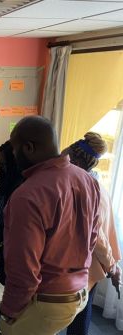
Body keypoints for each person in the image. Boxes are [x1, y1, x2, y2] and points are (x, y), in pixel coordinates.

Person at [0, 116, 101, 335]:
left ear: (29, 148)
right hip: (78, 292)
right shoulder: (87, 179)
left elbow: (23, 267)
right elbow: (92, 238)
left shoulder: (27, 195)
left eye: (15, 150)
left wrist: (8, 310)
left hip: (46, 299)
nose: (14, 156)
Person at [64, 132, 122, 335]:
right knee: (81, 309)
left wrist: (112, 266)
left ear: (76, 160)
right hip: (93, 261)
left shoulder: (85, 188)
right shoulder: (95, 183)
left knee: (80, 312)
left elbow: (97, 236)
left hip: (89, 261)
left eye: (66, 157)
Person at [0, 141, 24, 335]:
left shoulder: (20, 187)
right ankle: (5, 306)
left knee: (11, 279)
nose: (0, 167)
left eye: (3, 163)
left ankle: (7, 324)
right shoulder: (8, 181)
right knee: (4, 276)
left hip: (12, 240)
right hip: (1, 237)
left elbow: (8, 220)